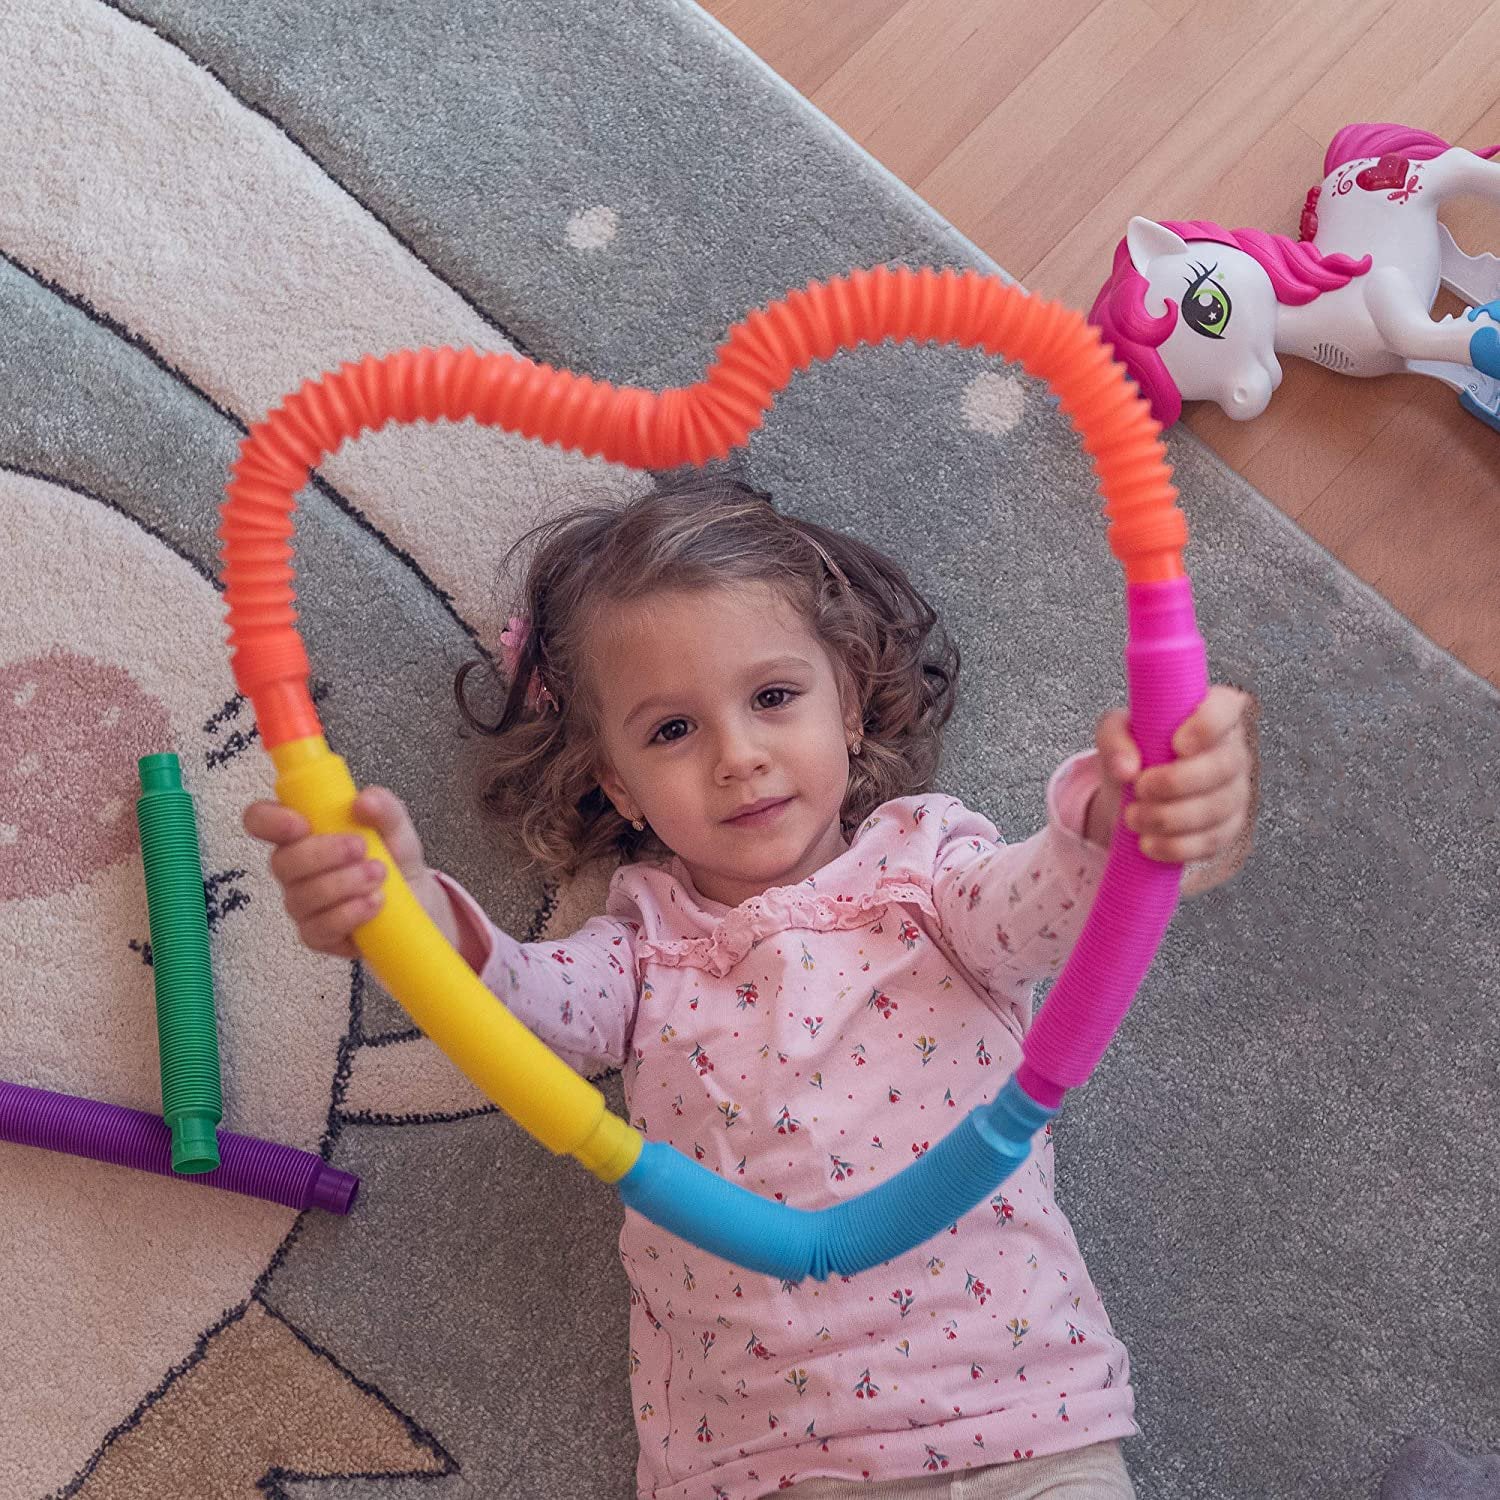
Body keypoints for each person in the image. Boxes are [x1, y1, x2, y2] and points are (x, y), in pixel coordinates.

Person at [245, 477, 1258, 1500]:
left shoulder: (927, 871)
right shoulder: (639, 950)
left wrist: (1123, 820)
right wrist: (407, 912)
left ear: (850, 706)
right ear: (617, 783)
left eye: (774, 699)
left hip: (1018, 1423)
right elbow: (517, 1009)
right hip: (762, 1466)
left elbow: (1044, 906)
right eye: (671, 732)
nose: (738, 758)